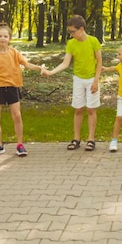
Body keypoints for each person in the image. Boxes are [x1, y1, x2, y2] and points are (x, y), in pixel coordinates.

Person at [0, 23, 44, 157]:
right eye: (0, 36)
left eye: (5, 36)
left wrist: (40, 69)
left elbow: (26, 64)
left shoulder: (14, 52)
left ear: (9, 38)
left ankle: (20, 145)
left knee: (17, 116)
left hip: (12, 87)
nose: (3, 38)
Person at [42, 15, 102, 151]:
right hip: (78, 80)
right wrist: (51, 72)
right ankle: (76, 139)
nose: (71, 34)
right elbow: (65, 63)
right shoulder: (71, 44)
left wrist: (96, 81)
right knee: (78, 109)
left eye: (73, 31)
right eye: (69, 32)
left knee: (91, 110)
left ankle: (91, 139)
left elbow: (99, 62)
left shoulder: (93, 41)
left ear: (81, 29)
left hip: (92, 79)